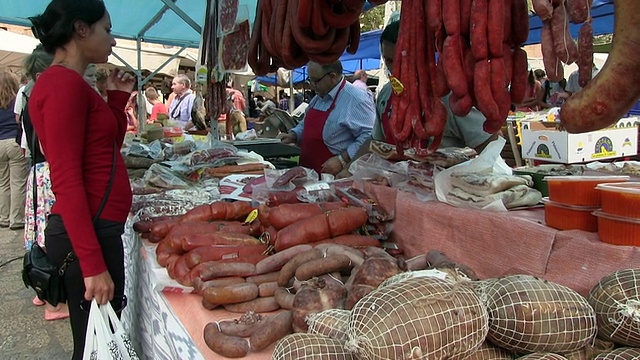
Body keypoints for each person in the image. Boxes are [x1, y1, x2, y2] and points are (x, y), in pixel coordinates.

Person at [29, 0, 135, 358]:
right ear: (81, 29)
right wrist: (92, 265)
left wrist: (117, 100)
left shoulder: (70, 83)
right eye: (107, 28)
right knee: (96, 347)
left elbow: (105, 151)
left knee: (101, 344)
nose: (114, 40)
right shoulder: (62, 85)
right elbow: (67, 180)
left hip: (95, 228)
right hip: (87, 234)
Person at [340, 20, 501, 177]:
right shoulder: (385, 94)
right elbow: (375, 141)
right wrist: (347, 170)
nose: (396, 67)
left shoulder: (447, 95)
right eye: (389, 61)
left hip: (442, 192)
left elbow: (489, 141)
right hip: (397, 189)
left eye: (402, 60)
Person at [17, 44, 71, 321]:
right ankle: (55, 303)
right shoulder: (45, 98)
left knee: (39, 234)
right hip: (49, 172)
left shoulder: (29, 97)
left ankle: (42, 290)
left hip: (38, 172)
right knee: (51, 235)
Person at [280, 60, 376, 175]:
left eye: (315, 81)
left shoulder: (356, 99)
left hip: (334, 176)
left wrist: (343, 159)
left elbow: (369, 136)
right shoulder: (319, 97)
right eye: (310, 80)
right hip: (308, 172)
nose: (312, 85)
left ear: (332, 77)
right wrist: (294, 135)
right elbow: (306, 123)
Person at [0, 70, 28, 231]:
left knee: (2, 183)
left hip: (0, 143)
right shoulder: (17, 98)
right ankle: (16, 218)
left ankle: (3, 217)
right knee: (17, 182)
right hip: (14, 142)